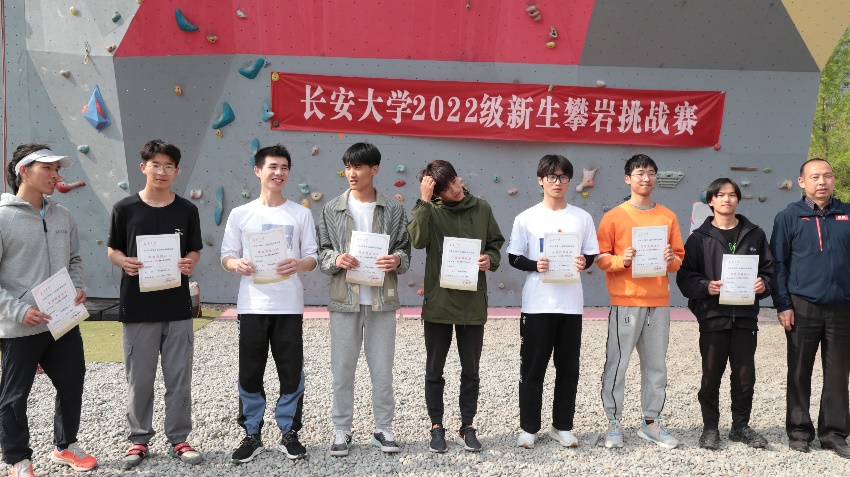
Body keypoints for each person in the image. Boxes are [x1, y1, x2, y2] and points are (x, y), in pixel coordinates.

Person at [0, 145, 98, 477]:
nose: (56, 175)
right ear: (23, 171)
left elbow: (74, 258)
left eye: (58, 169)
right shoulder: (3, 217)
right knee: (14, 395)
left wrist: (78, 285)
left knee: (72, 382)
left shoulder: (63, 215)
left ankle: (65, 445)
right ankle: (18, 459)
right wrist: (17, 311)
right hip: (20, 325)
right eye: (48, 168)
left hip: (63, 320)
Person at [107, 140, 203, 470]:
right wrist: (123, 262)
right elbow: (113, 249)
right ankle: (138, 439)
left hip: (177, 308)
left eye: (168, 166)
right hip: (138, 307)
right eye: (155, 165)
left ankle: (179, 438)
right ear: (143, 167)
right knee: (140, 378)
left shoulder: (187, 210)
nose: (162, 171)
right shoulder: (124, 209)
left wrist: (190, 262)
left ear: (177, 171)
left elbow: (194, 250)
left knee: (179, 378)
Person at [221, 144, 318, 463]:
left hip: (288, 305)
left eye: (284, 167)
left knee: (291, 372)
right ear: (258, 171)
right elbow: (226, 256)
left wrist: (299, 264)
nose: (279, 172)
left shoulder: (301, 213)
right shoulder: (241, 214)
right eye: (272, 167)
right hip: (252, 306)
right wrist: (236, 264)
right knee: (250, 372)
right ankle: (252, 433)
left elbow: (313, 256)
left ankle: (289, 432)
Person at [316, 143, 411, 456]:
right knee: (342, 370)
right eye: (348, 167)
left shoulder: (393, 209)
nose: (352, 173)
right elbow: (322, 252)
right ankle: (342, 429)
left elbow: (404, 249)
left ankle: (383, 428)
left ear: (374, 169)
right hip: (345, 300)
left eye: (358, 167)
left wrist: (397, 260)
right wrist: (336, 259)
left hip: (382, 301)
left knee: (382, 371)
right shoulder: (332, 209)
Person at [407, 160, 504, 453]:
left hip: (471, 303)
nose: (455, 189)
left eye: (455, 181)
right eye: (447, 188)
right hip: (438, 302)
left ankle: (467, 425)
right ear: (436, 193)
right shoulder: (430, 210)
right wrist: (424, 202)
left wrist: (490, 259)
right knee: (434, 369)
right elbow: (417, 240)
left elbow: (495, 242)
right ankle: (436, 426)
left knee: (471, 369)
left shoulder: (481, 208)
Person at [507, 154, 599, 449]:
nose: (557, 182)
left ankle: (562, 426)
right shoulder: (526, 217)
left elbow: (591, 254)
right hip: (537, 305)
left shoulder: (582, 217)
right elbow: (513, 257)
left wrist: (584, 261)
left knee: (568, 369)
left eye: (563, 177)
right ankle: (528, 428)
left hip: (570, 305)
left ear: (570, 181)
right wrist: (535, 265)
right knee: (532, 369)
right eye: (551, 177)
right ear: (540, 180)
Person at [676, 178, 774, 450]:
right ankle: (710, 428)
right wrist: (705, 286)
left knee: (744, 375)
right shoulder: (699, 237)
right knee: (711, 374)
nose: (726, 199)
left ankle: (740, 426)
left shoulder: (755, 234)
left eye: (732, 195)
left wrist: (764, 284)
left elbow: (769, 270)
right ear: (711, 201)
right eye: (720, 195)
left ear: (738, 200)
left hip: (744, 317)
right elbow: (685, 277)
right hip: (713, 315)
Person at [595, 154, 685, 449]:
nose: (646, 178)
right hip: (626, 301)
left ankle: (651, 422)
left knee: (656, 366)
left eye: (650, 173)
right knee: (617, 364)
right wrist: (622, 260)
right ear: (627, 179)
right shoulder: (614, 216)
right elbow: (601, 257)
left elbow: (679, 259)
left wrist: (670, 260)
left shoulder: (668, 216)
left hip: (659, 302)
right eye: (639, 173)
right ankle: (613, 422)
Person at [770, 158, 850, 457]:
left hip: (843, 306)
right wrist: (783, 304)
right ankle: (799, 430)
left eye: (827, 176)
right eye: (815, 177)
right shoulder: (789, 216)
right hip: (803, 305)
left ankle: (834, 433)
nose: (822, 182)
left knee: (838, 374)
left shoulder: (846, 213)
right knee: (799, 370)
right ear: (802, 182)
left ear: (834, 179)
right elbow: (778, 264)